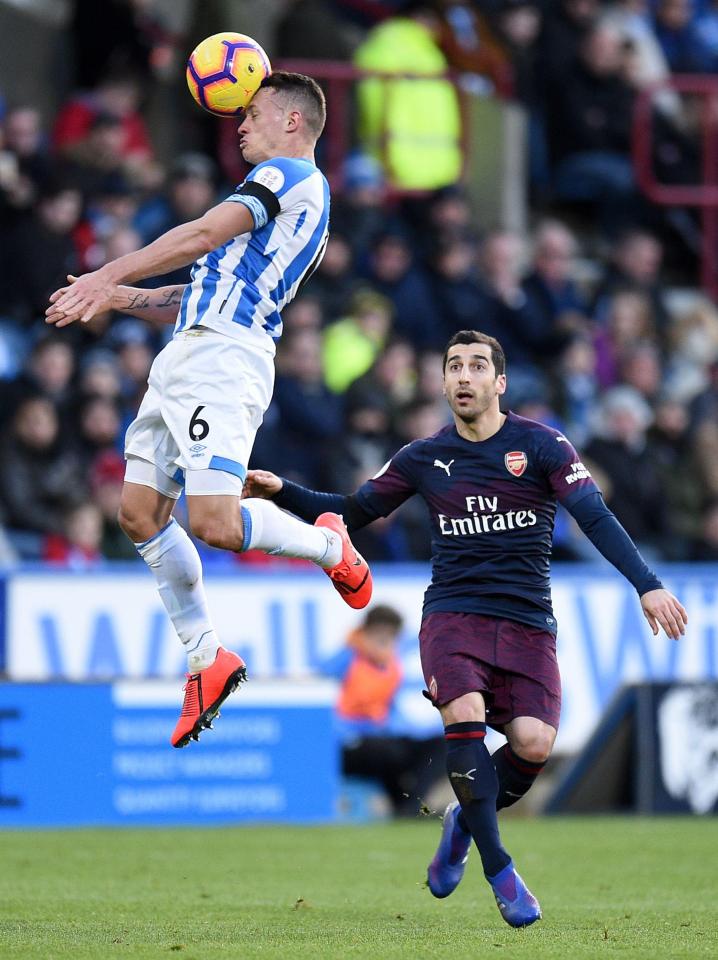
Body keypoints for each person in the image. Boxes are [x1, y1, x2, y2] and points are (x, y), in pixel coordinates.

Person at [242, 329, 687, 928]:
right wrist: (283, 493)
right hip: (453, 615)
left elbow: (594, 517)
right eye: (453, 365)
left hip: (528, 621)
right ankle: (501, 869)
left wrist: (647, 582)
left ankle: (461, 824)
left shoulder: (544, 446)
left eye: (477, 366)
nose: (464, 375)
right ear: (445, 381)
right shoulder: (423, 457)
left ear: (499, 383)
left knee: (532, 745)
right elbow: (354, 510)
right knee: (466, 721)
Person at [45, 72, 372, 749]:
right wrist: (117, 299)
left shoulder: (291, 178)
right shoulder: (268, 203)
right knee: (138, 512)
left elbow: (198, 234)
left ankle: (328, 543)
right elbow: (193, 289)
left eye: (251, 113)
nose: (239, 125)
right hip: (186, 355)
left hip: (227, 360)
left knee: (216, 523)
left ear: (291, 122)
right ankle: (206, 656)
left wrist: (111, 272)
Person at [320, 604, 445, 817]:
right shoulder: (347, 658)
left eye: (390, 638)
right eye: (380, 637)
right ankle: (405, 806)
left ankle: (411, 807)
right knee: (388, 752)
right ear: (365, 633)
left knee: (443, 745)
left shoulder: (392, 666)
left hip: (384, 737)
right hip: (351, 741)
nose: (385, 644)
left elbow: (391, 711)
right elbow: (319, 695)